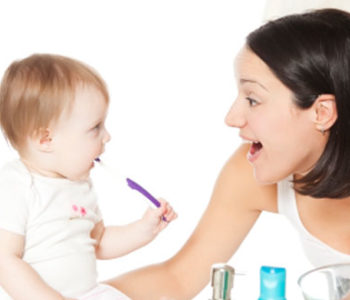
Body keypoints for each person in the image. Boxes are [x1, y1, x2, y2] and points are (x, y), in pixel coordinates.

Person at [101, 8, 350, 300]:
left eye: (253, 100)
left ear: (321, 112)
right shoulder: (250, 170)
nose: (232, 118)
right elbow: (178, 278)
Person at [0, 54, 177, 300]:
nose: (107, 136)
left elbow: (99, 242)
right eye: (95, 128)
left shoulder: (79, 185)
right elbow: (5, 260)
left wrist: (144, 229)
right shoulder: (17, 184)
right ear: (46, 139)